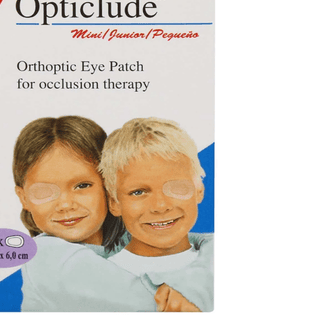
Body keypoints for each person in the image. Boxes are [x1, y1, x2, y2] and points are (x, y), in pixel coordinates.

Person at [13, 116, 200, 311]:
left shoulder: (123, 244)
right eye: (45, 191)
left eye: (82, 186)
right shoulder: (45, 256)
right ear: (23, 198)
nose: (66, 205)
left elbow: (194, 241)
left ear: (110, 187)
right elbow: (161, 305)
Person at [100, 117, 214, 312]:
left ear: (199, 190)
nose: (160, 206)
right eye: (138, 192)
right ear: (114, 203)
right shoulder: (100, 279)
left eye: (175, 187)